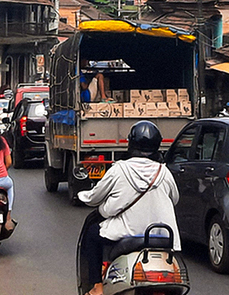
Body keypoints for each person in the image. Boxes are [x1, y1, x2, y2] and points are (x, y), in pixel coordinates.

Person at [77, 121, 180, 295]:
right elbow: (175, 199)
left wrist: (82, 195)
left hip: (126, 233)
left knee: (93, 234)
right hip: (161, 236)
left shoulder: (120, 169)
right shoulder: (163, 172)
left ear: (131, 142)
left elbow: (94, 197)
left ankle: (97, 287)